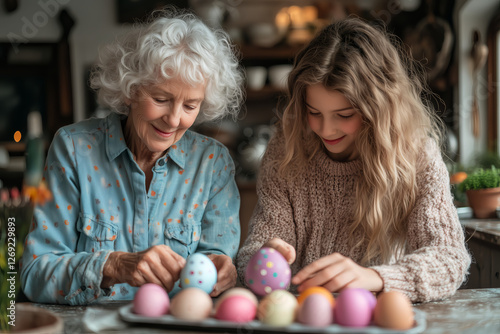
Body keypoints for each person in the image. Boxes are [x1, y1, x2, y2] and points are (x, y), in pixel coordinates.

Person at [236, 17, 471, 303]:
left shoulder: (417, 156)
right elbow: (251, 255)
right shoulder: (286, 149)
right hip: (299, 316)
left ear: (379, 110)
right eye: (314, 112)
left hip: (372, 318)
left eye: (344, 116)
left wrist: (374, 278)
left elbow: (449, 259)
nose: (325, 129)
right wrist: (264, 257)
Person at [20, 8, 244, 305]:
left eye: (190, 106)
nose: (174, 119)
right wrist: (111, 266)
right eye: (161, 99)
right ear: (130, 90)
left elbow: (216, 267)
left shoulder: (212, 164)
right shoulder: (74, 149)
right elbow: (34, 273)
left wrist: (224, 273)